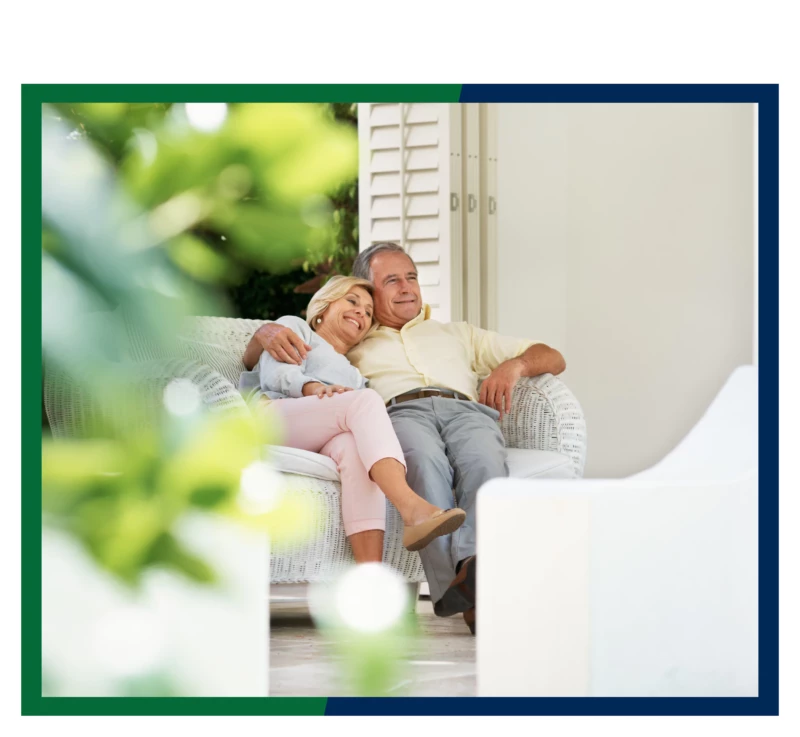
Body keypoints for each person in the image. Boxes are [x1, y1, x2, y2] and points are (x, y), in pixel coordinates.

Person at [243, 244, 566, 633]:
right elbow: (265, 359)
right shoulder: (350, 343)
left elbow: (553, 356)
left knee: (485, 463)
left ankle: (446, 581)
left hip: (465, 410)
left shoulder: (453, 334)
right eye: (391, 281)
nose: (407, 287)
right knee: (424, 464)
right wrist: (264, 332)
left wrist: (514, 366)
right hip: (399, 412)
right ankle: (461, 590)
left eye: (411, 277)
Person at [239, 274, 466, 565]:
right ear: (322, 309)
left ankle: (369, 578)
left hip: (317, 433)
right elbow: (276, 373)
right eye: (352, 301)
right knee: (366, 402)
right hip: (270, 416)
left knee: (355, 449)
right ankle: (412, 508)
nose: (361, 311)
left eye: (369, 312)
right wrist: (315, 388)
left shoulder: (356, 375)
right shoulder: (297, 328)